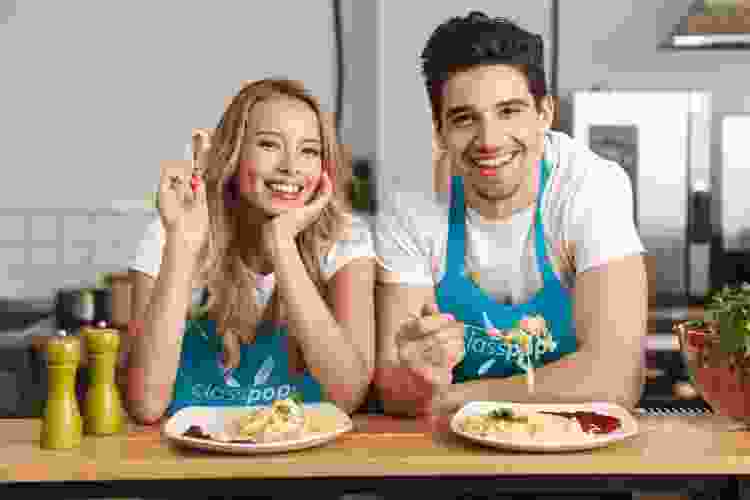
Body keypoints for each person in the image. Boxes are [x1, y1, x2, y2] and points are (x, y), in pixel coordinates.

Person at [373, 11, 648, 418]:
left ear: (545, 113)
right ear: (439, 130)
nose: (489, 140)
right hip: (454, 453)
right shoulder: (410, 206)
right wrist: (418, 376)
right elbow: (397, 391)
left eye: (509, 111)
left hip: (577, 450)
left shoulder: (590, 187)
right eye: (465, 119)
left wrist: (453, 397)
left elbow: (616, 380)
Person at [123, 78, 376, 424]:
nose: (291, 167)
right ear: (233, 153)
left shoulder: (345, 239)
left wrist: (282, 244)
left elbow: (347, 396)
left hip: (305, 463)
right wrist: (182, 245)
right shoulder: (170, 233)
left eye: (309, 151)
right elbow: (145, 405)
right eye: (270, 145)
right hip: (192, 460)